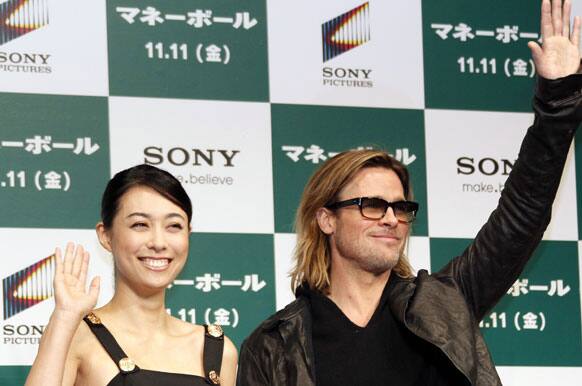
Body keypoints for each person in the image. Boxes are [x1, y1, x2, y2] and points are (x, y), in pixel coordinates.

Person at [236, 1, 582, 385]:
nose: (391, 218)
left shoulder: (443, 305)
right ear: (326, 218)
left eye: (401, 208)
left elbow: (521, 216)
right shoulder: (272, 346)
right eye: (372, 205)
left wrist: (557, 102)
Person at [25, 164, 238, 386]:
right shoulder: (75, 335)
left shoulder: (218, 349)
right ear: (106, 235)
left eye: (174, 226)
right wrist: (64, 317)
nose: (158, 242)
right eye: (140, 224)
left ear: (188, 234)